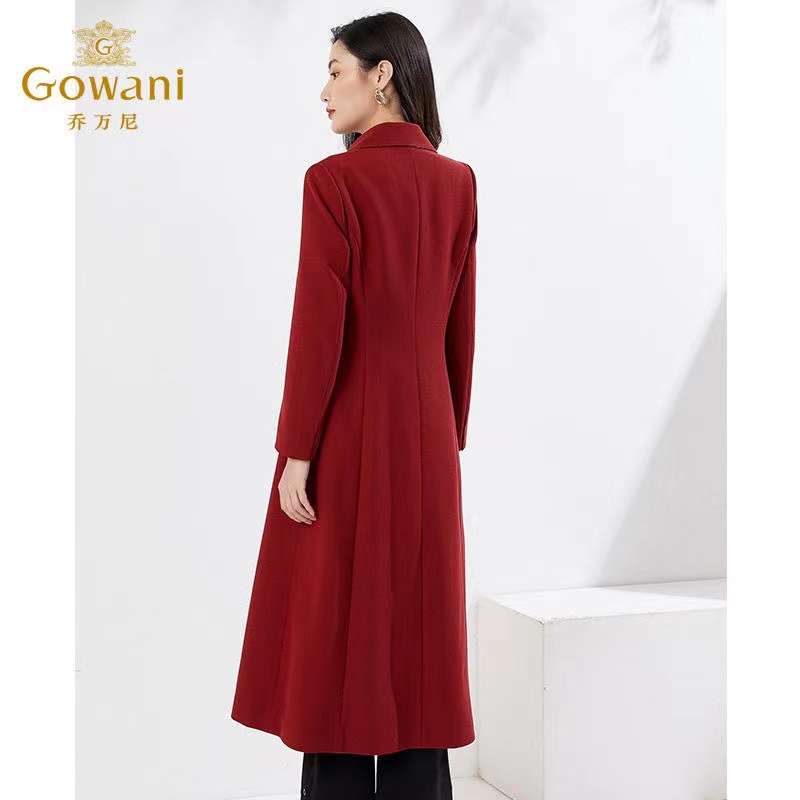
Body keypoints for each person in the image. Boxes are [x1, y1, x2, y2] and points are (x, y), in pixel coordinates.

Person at [231, 11, 478, 799]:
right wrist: (448, 431)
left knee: (336, 632)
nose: (324, 90)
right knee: (420, 635)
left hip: (346, 429)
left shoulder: (333, 183)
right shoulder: (458, 182)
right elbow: (460, 326)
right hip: (428, 433)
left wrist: (296, 451)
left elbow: (318, 328)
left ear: (382, 75)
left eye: (336, 70)